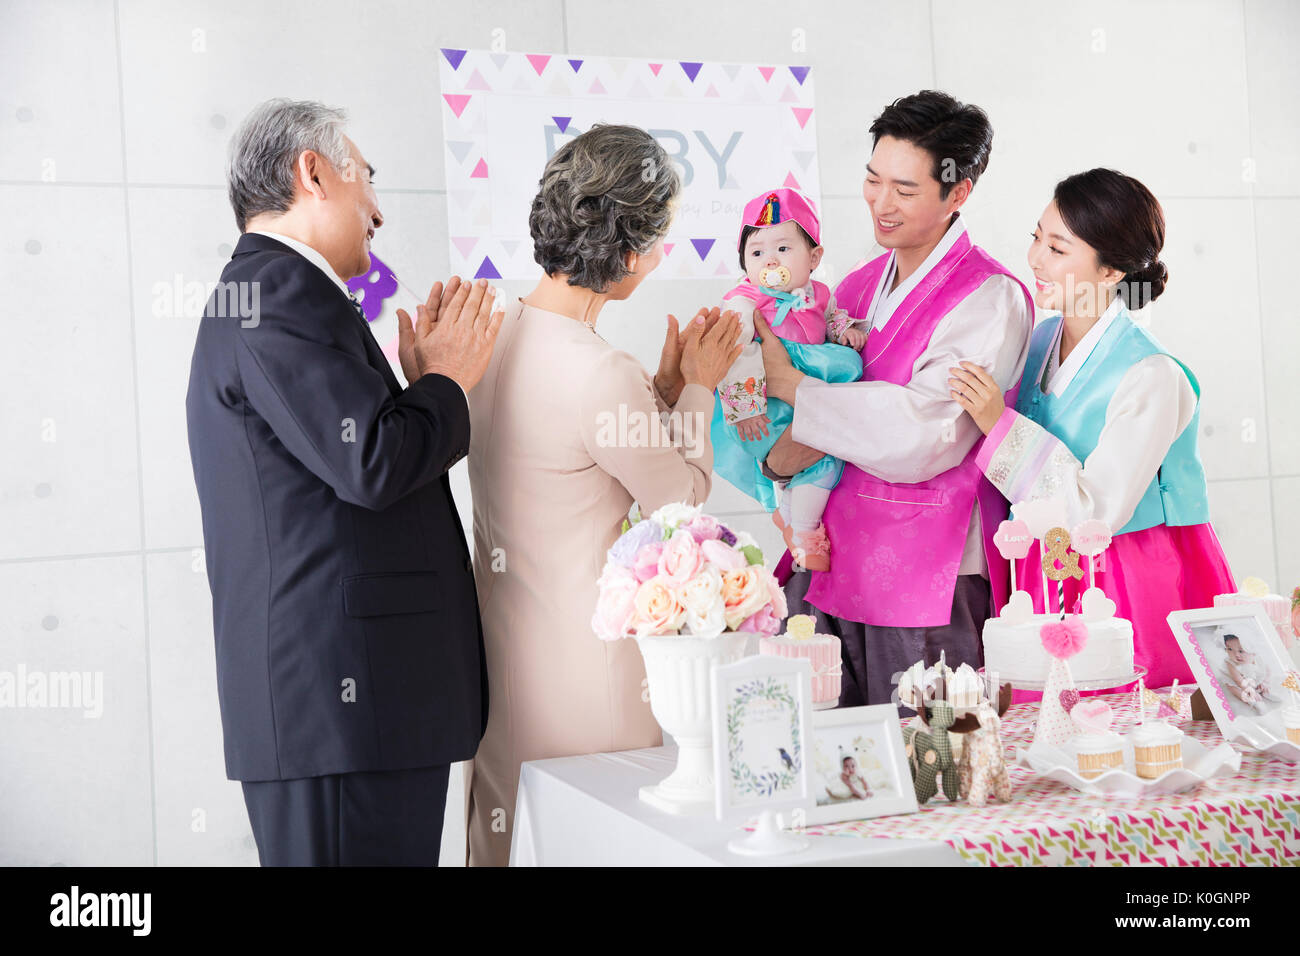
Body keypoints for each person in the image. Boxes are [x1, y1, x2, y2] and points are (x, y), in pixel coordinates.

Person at [186, 98, 500, 866]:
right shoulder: (280, 293)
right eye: (367, 179)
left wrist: (423, 389)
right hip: (343, 711)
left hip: (348, 714)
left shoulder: (272, 293)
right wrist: (447, 384)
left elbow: (353, 455)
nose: (379, 210)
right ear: (313, 173)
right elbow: (374, 462)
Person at [465, 124, 743, 866]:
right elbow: (680, 506)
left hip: (501, 666)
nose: (656, 262)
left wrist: (659, 390)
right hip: (588, 683)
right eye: (657, 241)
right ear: (625, 253)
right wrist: (700, 392)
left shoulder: (489, 336)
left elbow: (573, 456)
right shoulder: (598, 371)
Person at [758, 91, 1034, 706]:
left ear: (958, 193)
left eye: (905, 190)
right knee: (830, 760)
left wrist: (798, 394)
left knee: (932, 762)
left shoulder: (990, 297)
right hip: (832, 558)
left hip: (926, 570)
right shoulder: (854, 284)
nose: (882, 204)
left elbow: (922, 436)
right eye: (872, 179)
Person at [949, 168, 1236, 688]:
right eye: (1036, 237)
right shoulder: (1039, 343)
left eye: (1058, 249)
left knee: (1126, 725)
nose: (1035, 259)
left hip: (1126, 578)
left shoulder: (1152, 374)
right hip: (1044, 574)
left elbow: (1093, 512)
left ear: (1110, 273)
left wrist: (999, 424)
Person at [710, 188, 867, 571]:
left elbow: (831, 317)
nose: (770, 261)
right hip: (763, 399)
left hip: (807, 378)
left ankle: (794, 520)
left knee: (824, 455)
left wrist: (843, 330)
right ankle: (805, 530)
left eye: (783, 249)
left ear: (814, 258)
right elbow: (736, 353)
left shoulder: (820, 293)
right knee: (814, 453)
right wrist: (745, 408)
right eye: (757, 252)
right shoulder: (744, 301)